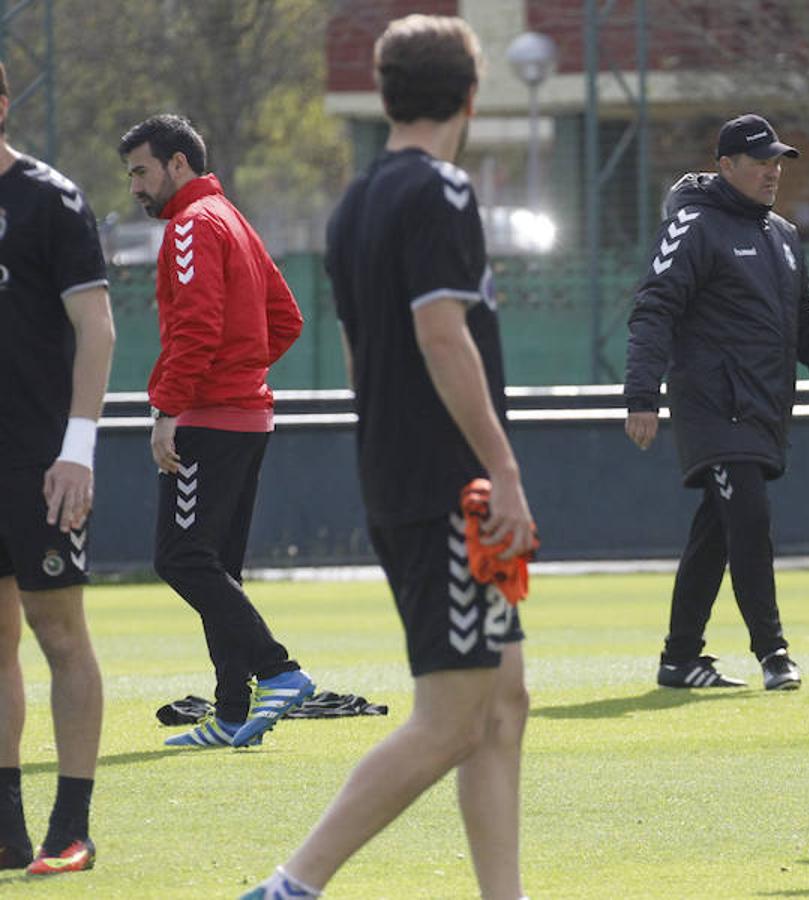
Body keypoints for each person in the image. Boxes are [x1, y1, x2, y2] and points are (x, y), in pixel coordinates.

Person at [242, 15, 536, 900]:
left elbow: (363, 355)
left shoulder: (357, 201)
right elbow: (442, 339)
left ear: (385, 94)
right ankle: (293, 885)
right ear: (471, 97)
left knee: (503, 703)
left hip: (410, 477)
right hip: (454, 488)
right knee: (452, 720)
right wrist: (505, 472)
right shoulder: (441, 192)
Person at [625, 114, 809, 692]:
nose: (772, 172)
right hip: (713, 408)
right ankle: (774, 652)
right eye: (761, 162)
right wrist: (642, 394)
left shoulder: (783, 236)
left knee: (717, 530)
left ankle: (680, 657)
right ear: (726, 166)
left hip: (763, 410)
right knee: (748, 518)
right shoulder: (693, 226)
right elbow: (654, 308)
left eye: (776, 162)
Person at [118, 115, 313, 749]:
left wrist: (170, 409)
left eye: (141, 172)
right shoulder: (232, 220)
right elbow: (285, 320)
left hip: (208, 419)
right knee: (216, 564)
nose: (135, 188)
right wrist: (240, 376)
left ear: (178, 165)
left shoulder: (190, 226)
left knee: (180, 558)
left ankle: (278, 671)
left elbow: (198, 329)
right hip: (246, 417)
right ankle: (233, 715)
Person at [0, 62, 114, 876]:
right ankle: (4, 831)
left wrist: (77, 450)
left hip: (39, 462)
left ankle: (69, 829)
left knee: (58, 633)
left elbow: (98, 329)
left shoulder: (50, 199)